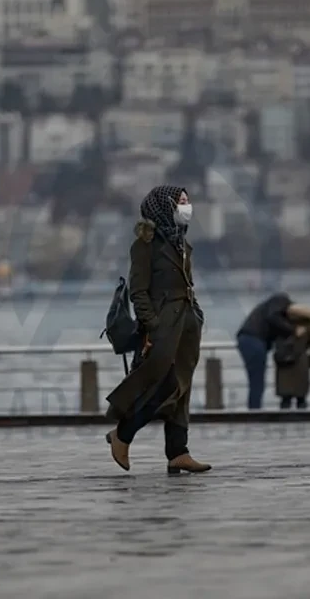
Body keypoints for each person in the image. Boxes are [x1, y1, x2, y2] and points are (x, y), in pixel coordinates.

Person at [104, 185, 211, 475]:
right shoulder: (145, 245)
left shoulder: (181, 242)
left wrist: (196, 314)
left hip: (186, 325)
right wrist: (151, 326)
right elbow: (138, 291)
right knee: (162, 386)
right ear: (164, 207)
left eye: (187, 201)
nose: (186, 207)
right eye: (181, 202)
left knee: (182, 387)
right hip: (163, 326)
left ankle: (178, 452)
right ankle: (123, 434)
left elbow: (187, 284)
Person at [235, 292, 300, 409]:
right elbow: (273, 317)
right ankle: (255, 411)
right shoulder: (281, 300)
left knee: (255, 381)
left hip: (247, 339)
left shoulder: (265, 308)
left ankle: (254, 409)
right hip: (254, 340)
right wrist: (292, 330)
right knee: (257, 382)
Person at [273, 303, 310, 409]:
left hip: (283, 363)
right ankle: (302, 418)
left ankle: (284, 419)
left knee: (285, 400)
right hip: (301, 363)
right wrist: (309, 362)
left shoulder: (281, 324)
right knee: (301, 398)